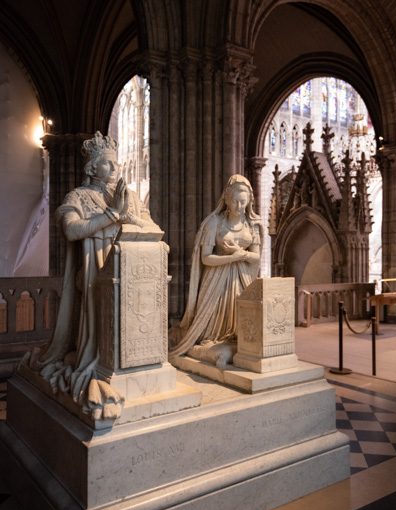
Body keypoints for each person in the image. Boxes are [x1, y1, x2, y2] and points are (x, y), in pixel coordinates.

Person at [27, 131, 161, 415]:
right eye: (108, 163)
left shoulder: (130, 196)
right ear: (92, 167)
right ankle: (99, 363)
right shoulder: (78, 196)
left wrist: (130, 216)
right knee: (101, 325)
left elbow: (153, 232)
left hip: (132, 276)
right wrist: (112, 215)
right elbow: (72, 230)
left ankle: (134, 365)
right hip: (94, 272)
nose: (115, 168)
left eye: (116, 163)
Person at [168, 174, 263, 363]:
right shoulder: (214, 222)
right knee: (209, 332)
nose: (239, 206)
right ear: (226, 199)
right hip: (216, 280)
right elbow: (205, 258)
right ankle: (203, 342)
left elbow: (256, 256)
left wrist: (240, 255)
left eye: (243, 202)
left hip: (242, 278)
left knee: (240, 320)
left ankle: (235, 341)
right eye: (235, 201)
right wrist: (232, 258)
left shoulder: (252, 224)